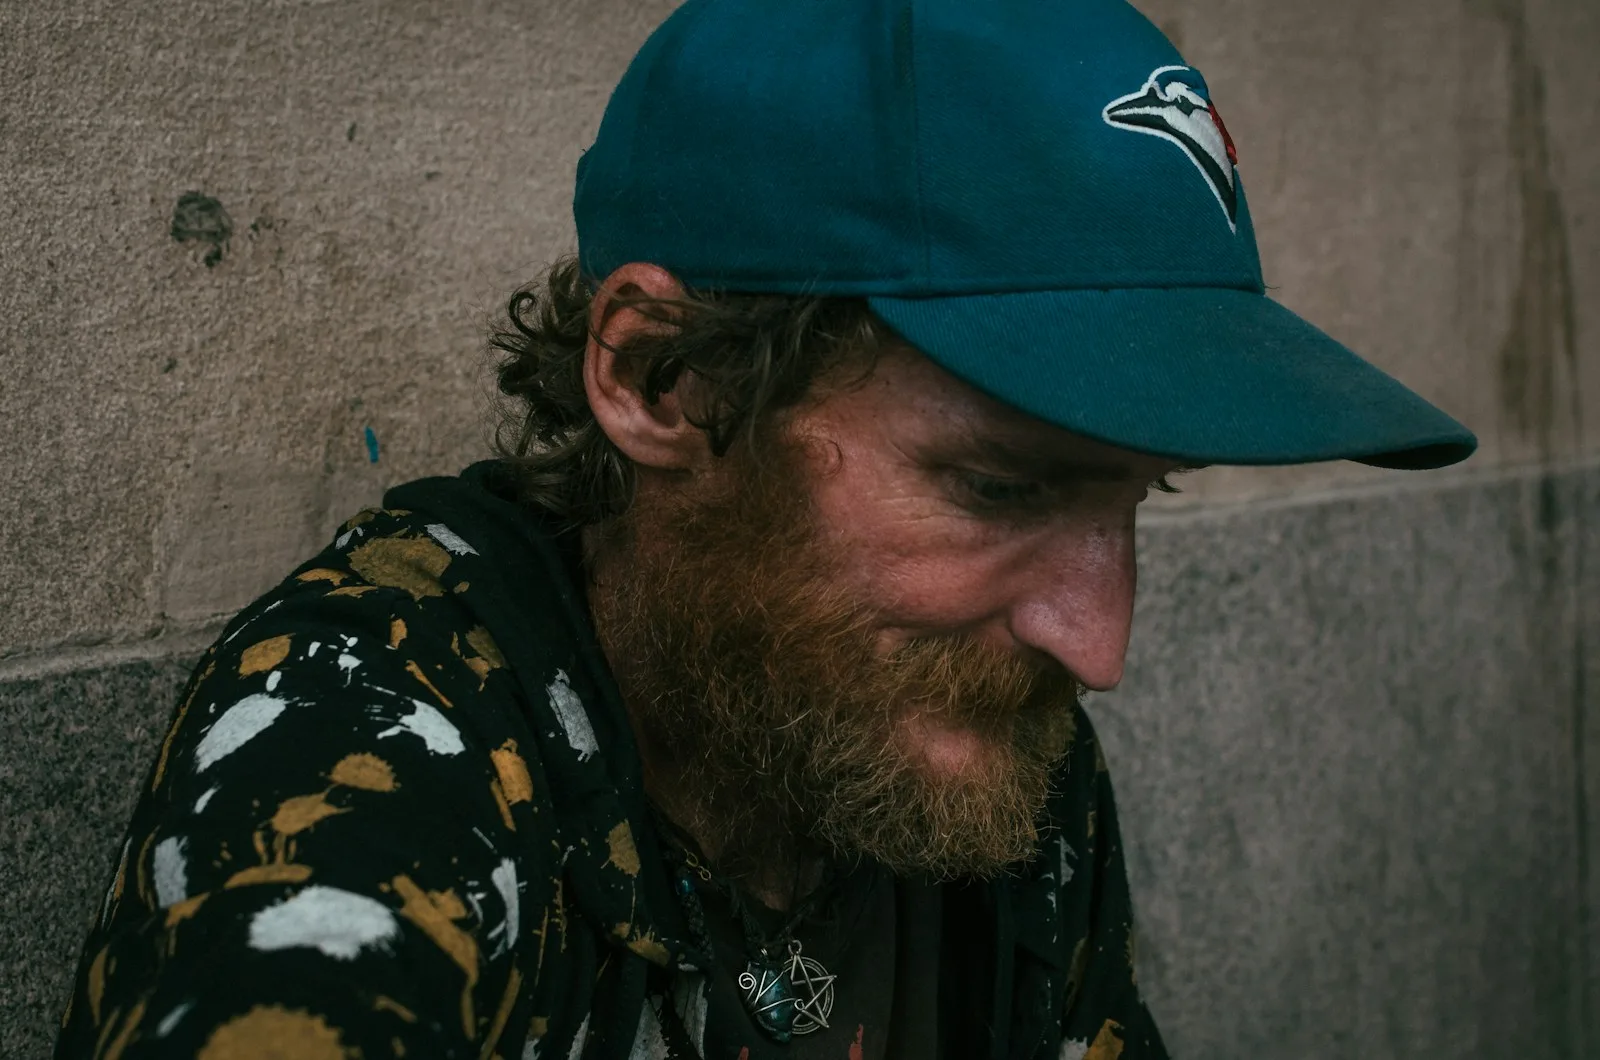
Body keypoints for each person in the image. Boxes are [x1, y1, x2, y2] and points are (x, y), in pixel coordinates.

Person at [55, 0, 1475, 1057]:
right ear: (660, 378)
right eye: (1000, 488)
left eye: (1137, 497)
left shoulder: (971, 736)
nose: (1096, 644)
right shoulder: (374, 745)